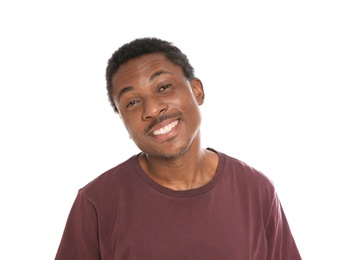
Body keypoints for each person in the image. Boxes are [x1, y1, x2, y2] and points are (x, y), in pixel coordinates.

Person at [55, 37, 302, 259]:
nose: (152, 109)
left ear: (197, 91)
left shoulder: (256, 190)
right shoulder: (97, 203)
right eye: (132, 102)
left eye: (163, 87)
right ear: (123, 121)